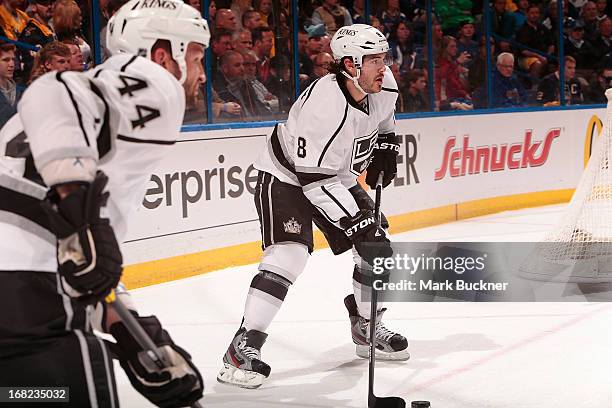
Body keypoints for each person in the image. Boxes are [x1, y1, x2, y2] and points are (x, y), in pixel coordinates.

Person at [0, 1, 210, 407]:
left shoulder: (97, 116)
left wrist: (134, 333)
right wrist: (78, 205)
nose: (201, 75)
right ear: (164, 53)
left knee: (24, 397)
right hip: (29, 294)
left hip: (22, 295)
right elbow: (51, 89)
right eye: (198, 57)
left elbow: (83, 262)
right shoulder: (156, 82)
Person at [217, 23, 409, 390]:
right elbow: (314, 181)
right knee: (288, 256)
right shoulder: (325, 105)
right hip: (288, 177)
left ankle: (366, 326)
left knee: (376, 249)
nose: (383, 66)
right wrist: (355, 220)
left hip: (335, 176)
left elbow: (384, 116)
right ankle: (242, 347)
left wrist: (387, 142)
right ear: (350, 64)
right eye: (373, 60)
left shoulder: (381, 84)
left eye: (384, 58)